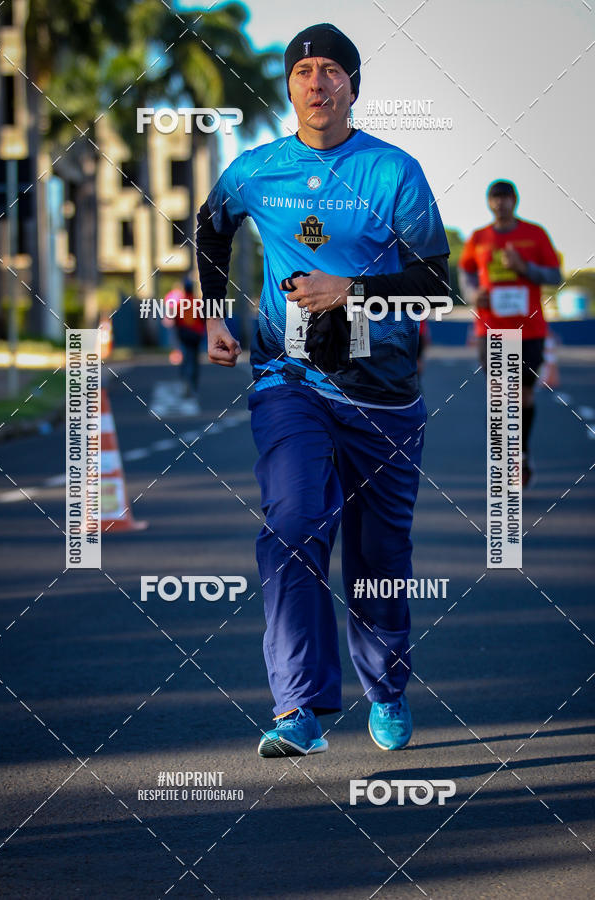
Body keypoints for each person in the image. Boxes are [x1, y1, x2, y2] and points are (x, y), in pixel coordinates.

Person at [196, 23, 450, 757]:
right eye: (303, 69)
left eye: (331, 70)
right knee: (292, 527)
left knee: (378, 556)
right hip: (291, 384)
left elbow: (437, 284)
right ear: (288, 85)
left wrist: (354, 289)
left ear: (352, 86)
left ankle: (387, 687)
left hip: (384, 399)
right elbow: (210, 230)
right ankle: (298, 709)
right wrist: (215, 314)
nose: (317, 82)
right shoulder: (256, 170)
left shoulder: (392, 171)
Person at [458, 181, 562, 486]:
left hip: (529, 328)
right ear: (489, 203)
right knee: (501, 394)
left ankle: (522, 452)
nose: (500, 204)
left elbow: (555, 275)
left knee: (524, 394)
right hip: (491, 328)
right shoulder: (479, 238)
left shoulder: (535, 234)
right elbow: (465, 272)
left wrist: (524, 268)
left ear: (515, 200)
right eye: (495, 198)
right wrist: (473, 293)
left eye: (505, 198)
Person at [164, 276, 205, 410]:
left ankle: (187, 382)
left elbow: (176, 322)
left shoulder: (180, 304)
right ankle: (193, 384)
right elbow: (203, 319)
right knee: (194, 360)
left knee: (187, 358)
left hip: (185, 336)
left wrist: (177, 336)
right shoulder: (197, 303)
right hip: (196, 336)